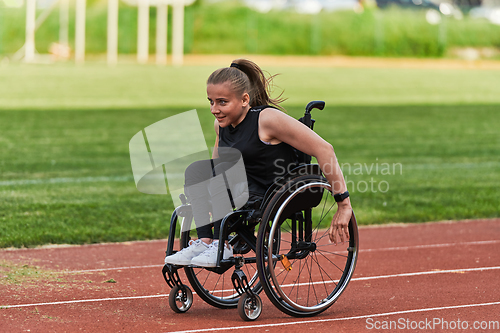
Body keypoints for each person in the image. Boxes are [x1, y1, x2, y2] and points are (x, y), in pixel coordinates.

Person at [164, 59, 352, 267]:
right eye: (211, 101)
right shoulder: (221, 125)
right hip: (239, 188)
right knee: (197, 170)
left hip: (271, 191)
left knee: (219, 176)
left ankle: (221, 246)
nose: (214, 109)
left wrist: (343, 204)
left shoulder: (267, 119)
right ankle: (205, 242)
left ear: (245, 99)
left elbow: (325, 149)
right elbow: (216, 166)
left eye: (222, 102)